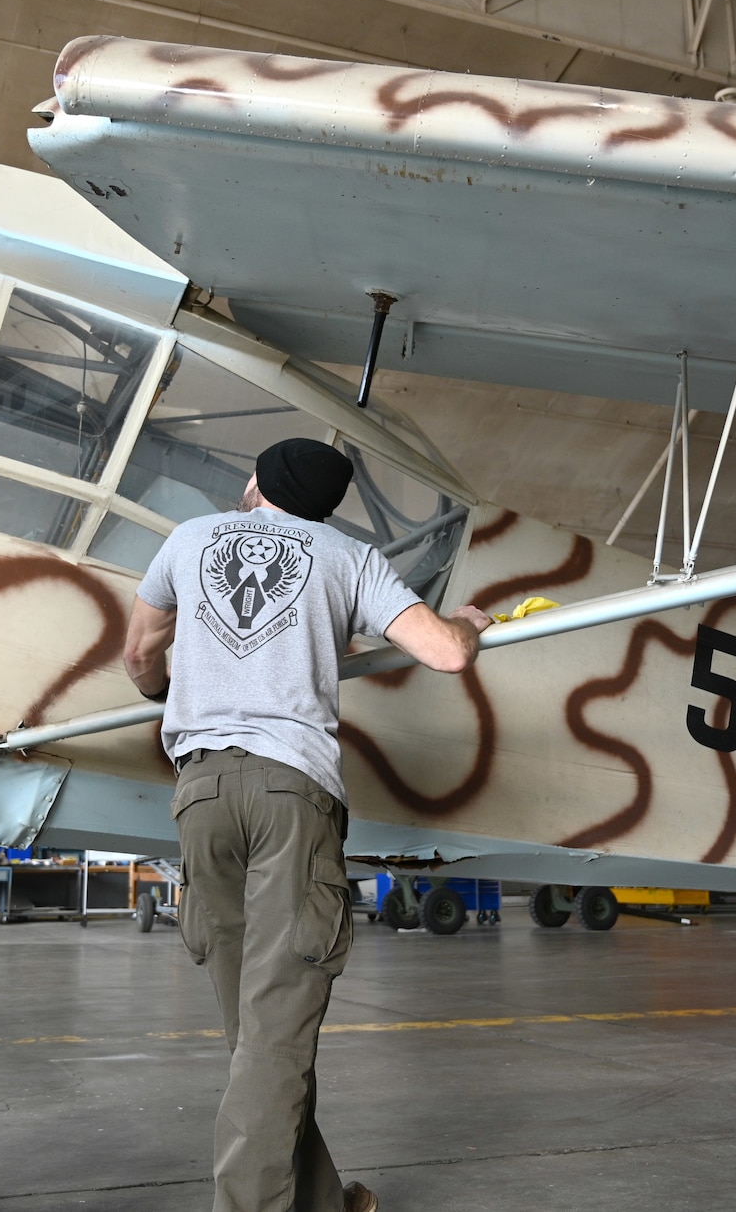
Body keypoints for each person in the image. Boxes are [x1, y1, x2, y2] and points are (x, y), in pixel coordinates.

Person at [123, 438, 494, 1212]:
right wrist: (466, 622)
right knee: (275, 1031)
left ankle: (322, 1201)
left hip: (201, 795)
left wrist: (185, 682)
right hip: (293, 796)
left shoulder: (190, 539)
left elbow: (140, 655)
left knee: (258, 1031)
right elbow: (445, 655)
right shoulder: (346, 555)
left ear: (256, 481)